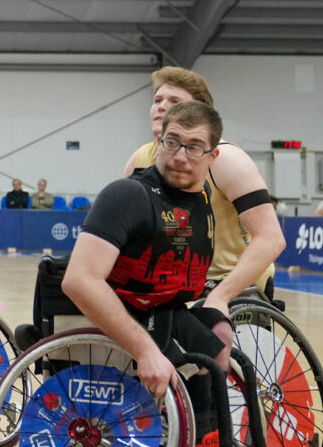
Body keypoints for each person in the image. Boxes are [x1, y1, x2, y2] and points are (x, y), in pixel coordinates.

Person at [66, 101, 228, 440]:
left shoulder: (202, 198)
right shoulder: (127, 194)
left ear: (212, 157)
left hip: (167, 309)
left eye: (194, 147)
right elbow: (79, 280)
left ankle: (206, 433)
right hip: (121, 314)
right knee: (196, 362)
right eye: (172, 142)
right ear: (159, 143)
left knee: (219, 345)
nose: (181, 155)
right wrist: (145, 350)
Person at [124, 66, 284, 304]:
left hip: (231, 283)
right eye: (157, 99)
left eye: (174, 101)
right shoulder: (139, 160)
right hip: (173, 283)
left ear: (199, 113)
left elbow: (271, 239)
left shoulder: (226, 159)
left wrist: (220, 297)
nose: (161, 106)